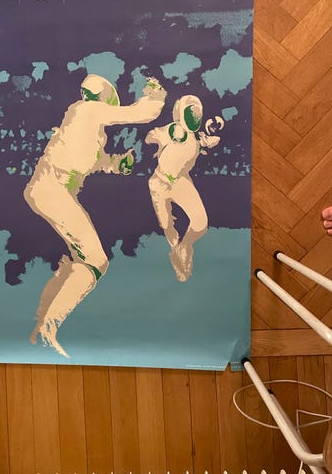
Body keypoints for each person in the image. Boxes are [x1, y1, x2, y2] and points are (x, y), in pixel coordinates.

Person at [23, 74, 167, 358]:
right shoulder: (87, 109)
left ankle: (44, 326)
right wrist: (156, 95)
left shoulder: (84, 124)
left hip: (52, 190)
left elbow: (94, 161)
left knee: (89, 260)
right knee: (95, 261)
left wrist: (118, 163)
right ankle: (47, 329)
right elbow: (140, 113)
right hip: (52, 189)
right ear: (103, 97)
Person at [145, 95, 223, 282]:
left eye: (197, 113)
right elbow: (149, 137)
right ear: (181, 114)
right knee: (167, 226)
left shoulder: (197, 138)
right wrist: (161, 139)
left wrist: (205, 141)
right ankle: (175, 252)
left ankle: (185, 247)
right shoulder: (173, 130)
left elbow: (201, 143)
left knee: (201, 224)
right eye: (191, 112)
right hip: (159, 183)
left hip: (180, 182)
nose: (194, 116)